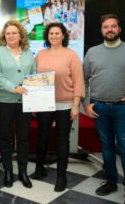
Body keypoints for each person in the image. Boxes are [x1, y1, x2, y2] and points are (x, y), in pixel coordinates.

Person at [83, 14, 125, 204]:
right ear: (101, 30)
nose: (110, 30)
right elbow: (83, 79)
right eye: (106, 27)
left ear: (119, 29)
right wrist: (86, 102)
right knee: (106, 148)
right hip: (99, 107)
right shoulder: (92, 52)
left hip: (124, 108)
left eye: (113, 26)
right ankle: (111, 181)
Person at [31, 22, 84, 192]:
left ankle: (62, 176)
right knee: (42, 137)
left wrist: (75, 106)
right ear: (47, 36)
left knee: (62, 140)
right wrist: (34, 104)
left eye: (57, 33)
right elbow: (34, 79)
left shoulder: (72, 55)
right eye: (51, 33)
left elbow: (78, 81)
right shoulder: (40, 54)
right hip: (44, 104)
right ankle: (40, 169)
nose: (54, 36)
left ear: (63, 36)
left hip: (65, 104)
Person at [0, 20, 36, 188]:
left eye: (14, 32)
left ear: (20, 35)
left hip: (25, 102)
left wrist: (33, 91)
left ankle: (23, 172)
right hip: (5, 101)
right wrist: (13, 88)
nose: (10, 35)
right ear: (4, 35)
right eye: (7, 33)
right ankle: (8, 171)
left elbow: (33, 74)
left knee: (23, 138)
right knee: (5, 137)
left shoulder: (28, 53)